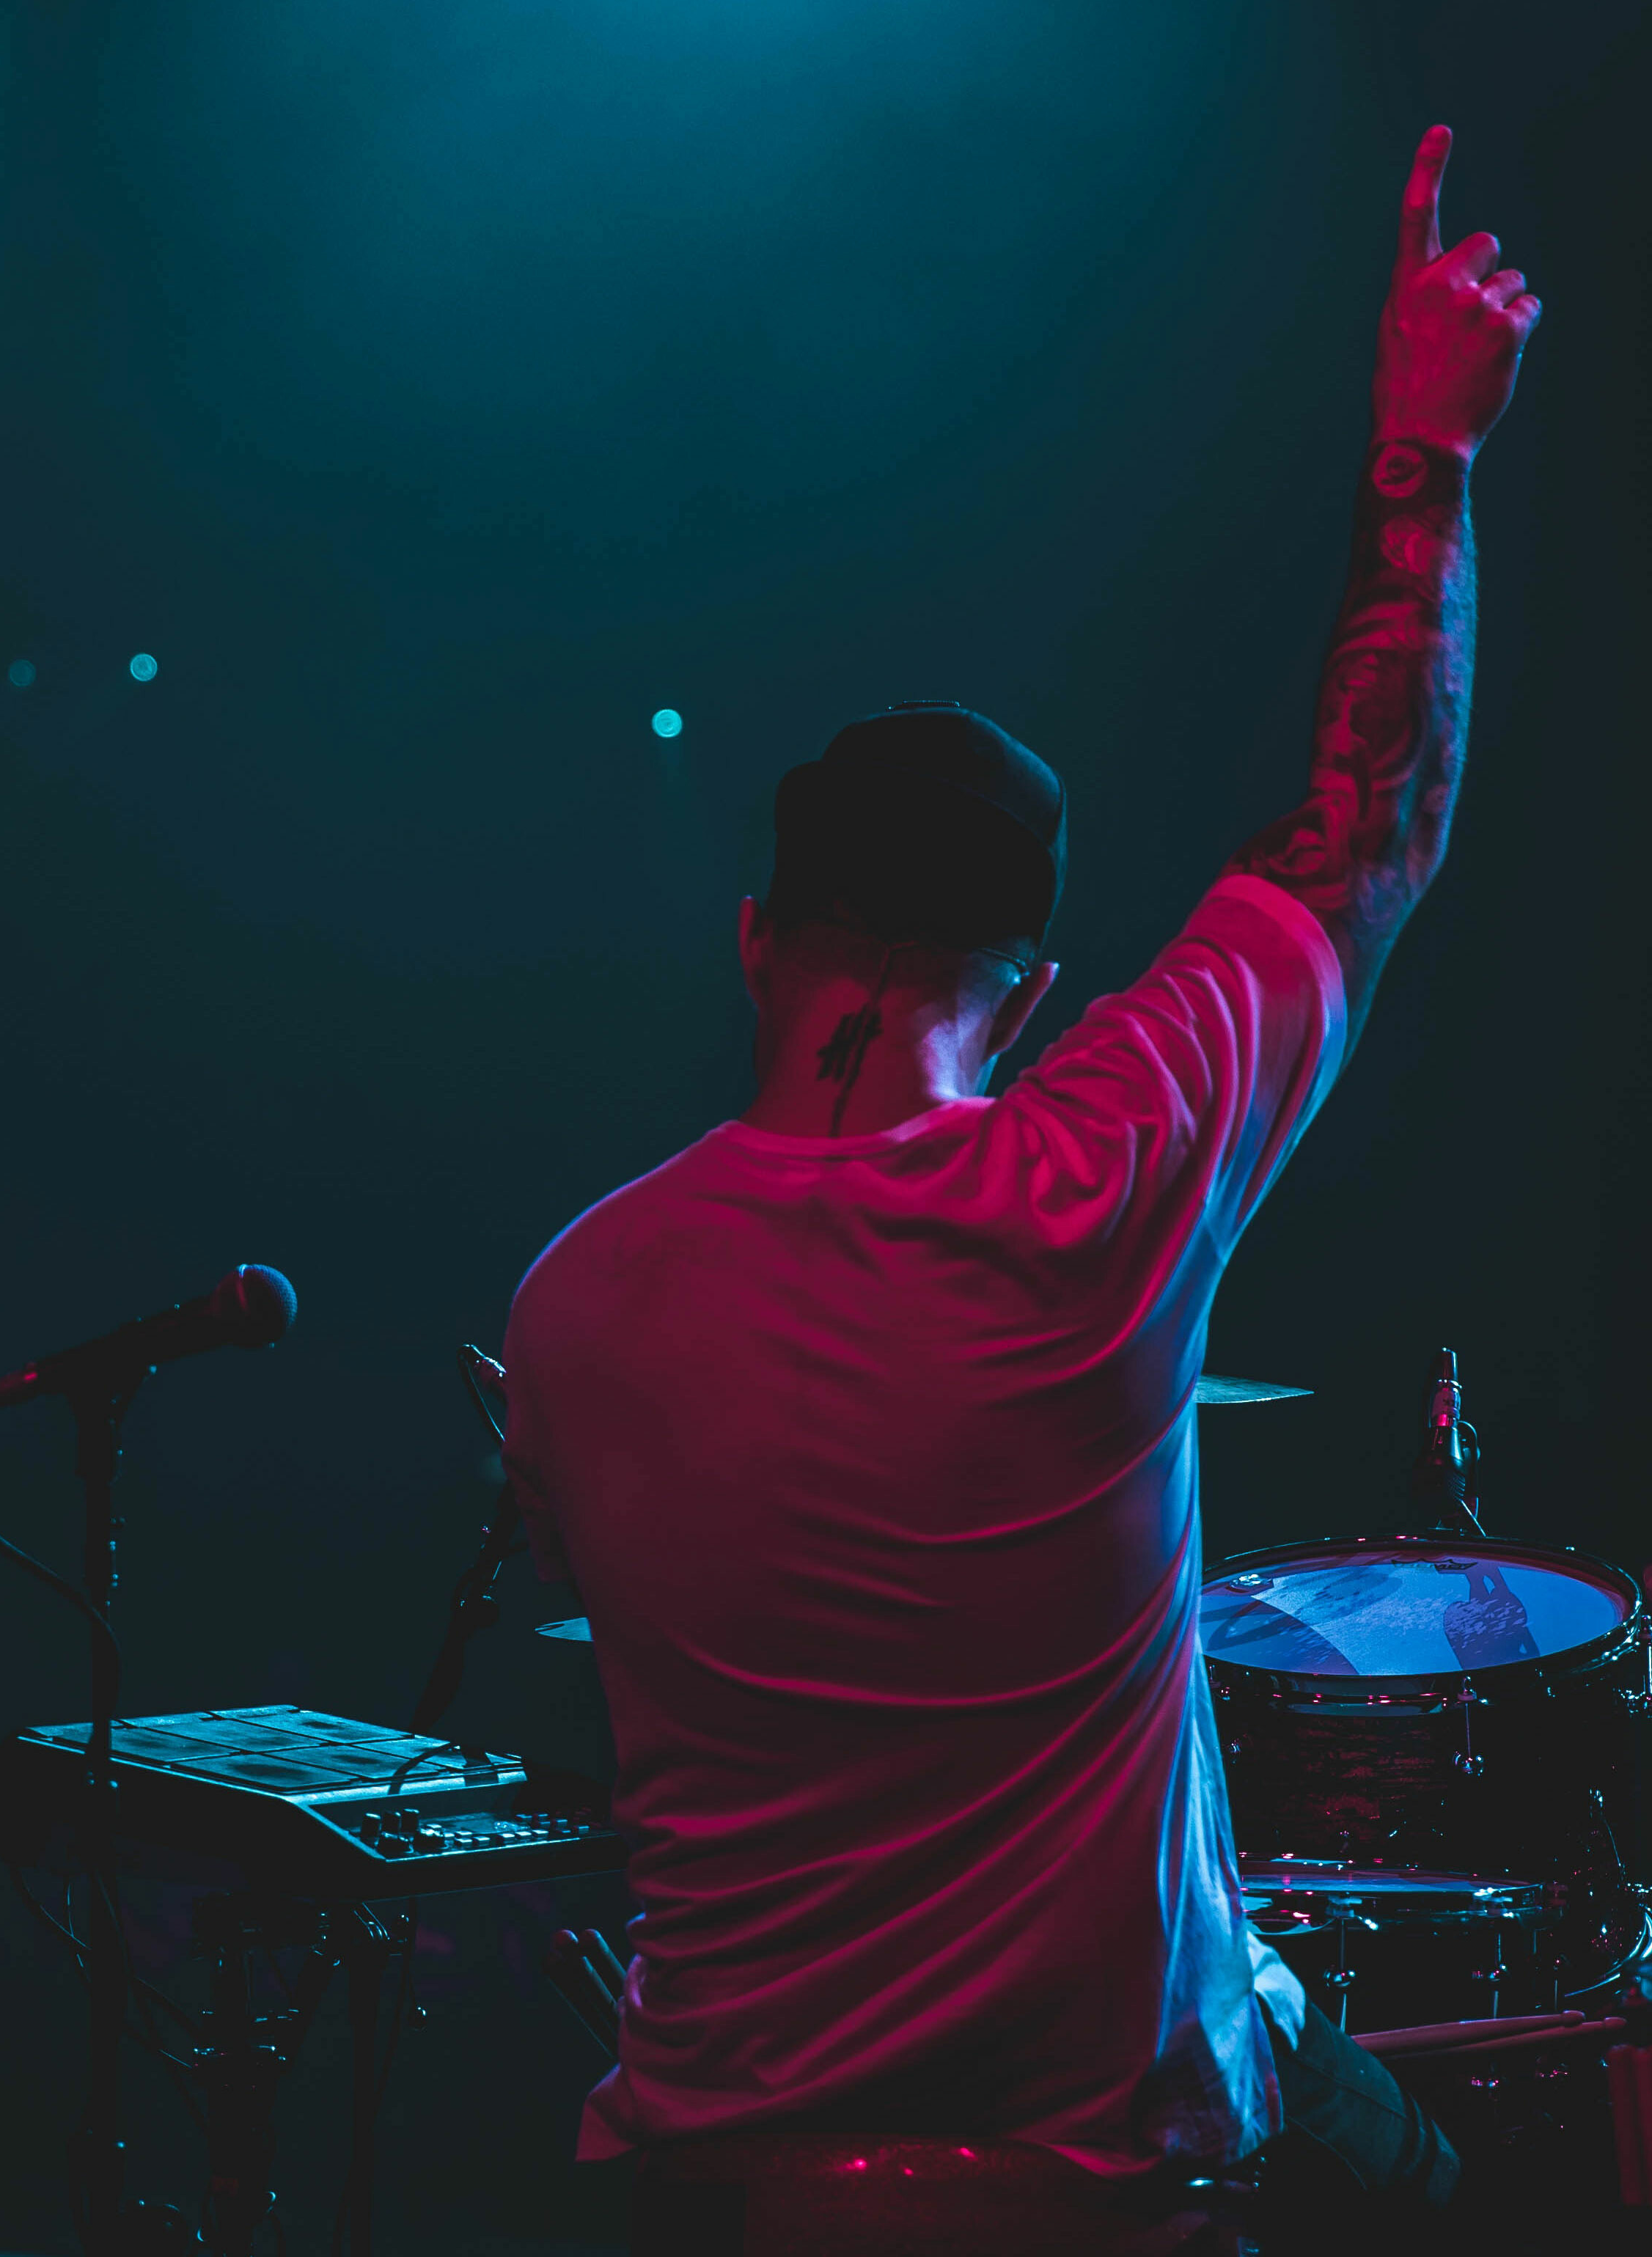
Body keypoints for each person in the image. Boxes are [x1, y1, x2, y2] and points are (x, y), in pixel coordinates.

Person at [498, 126, 1540, 2231]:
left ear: (755, 937)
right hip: (1090, 2187)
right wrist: (1422, 448)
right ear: (1037, 984)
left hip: (706, 2182)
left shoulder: (572, 1298)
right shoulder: (1100, 1179)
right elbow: (1371, 831)